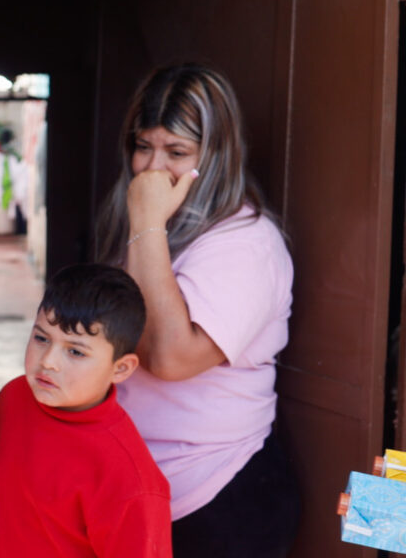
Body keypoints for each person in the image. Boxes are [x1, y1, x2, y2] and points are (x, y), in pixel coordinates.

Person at [96, 63, 299, 556]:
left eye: (177, 152)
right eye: (143, 146)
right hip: (142, 495)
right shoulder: (152, 232)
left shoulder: (246, 243)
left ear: (217, 156)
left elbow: (169, 358)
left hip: (218, 496)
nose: (152, 170)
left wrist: (146, 222)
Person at [0, 263, 171, 557]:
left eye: (75, 351)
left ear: (120, 368)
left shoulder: (128, 481)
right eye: (41, 338)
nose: (48, 361)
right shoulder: (16, 397)